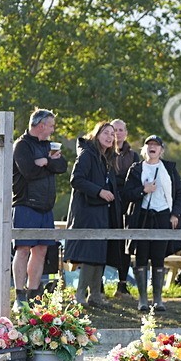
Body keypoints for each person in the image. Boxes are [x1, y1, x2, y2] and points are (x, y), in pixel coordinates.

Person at [121, 135, 181, 313]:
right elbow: (127, 194)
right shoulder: (136, 169)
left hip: (163, 216)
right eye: (149, 144)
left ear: (161, 150)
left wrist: (175, 214)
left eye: (156, 145)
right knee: (141, 257)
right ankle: (142, 300)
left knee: (159, 257)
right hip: (142, 216)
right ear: (145, 149)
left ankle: (158, 300)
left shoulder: (169, 168)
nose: (153, 147)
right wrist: (143, 190)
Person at [12, 109, 67, 305]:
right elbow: (29, 172)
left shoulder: (48, 146)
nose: (53, 129)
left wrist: (46, 162)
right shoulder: (22, 145)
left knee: (42, 249)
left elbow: (62, 166)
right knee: (23, 248)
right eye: (51, 125)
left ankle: (33, 293)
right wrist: (47, 164)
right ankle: (19, 294)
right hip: (26, 205)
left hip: (46, 207)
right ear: (41, 125)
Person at [63, 122, 120, 306]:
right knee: (89, 253)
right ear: (97, 134)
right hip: (87, 210)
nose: (110, 136)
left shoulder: (106, 158)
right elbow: (76, 179)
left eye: (112, 134)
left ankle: (95, 295)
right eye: (106, 132)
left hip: (102, 211)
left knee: (99, 252)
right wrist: (99, 191)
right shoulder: (87, 154)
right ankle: (80, 294)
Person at [108, 119, 140, 296]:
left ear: (125, 133)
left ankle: (122, 283)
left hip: (126, 204)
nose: (117, 133)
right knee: (105, 241)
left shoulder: (133, 156)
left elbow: (135, 179)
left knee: (124, 243)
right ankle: (98, 285)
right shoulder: (104, 152)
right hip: (108, 201)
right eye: (114, 130)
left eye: (121, 130)